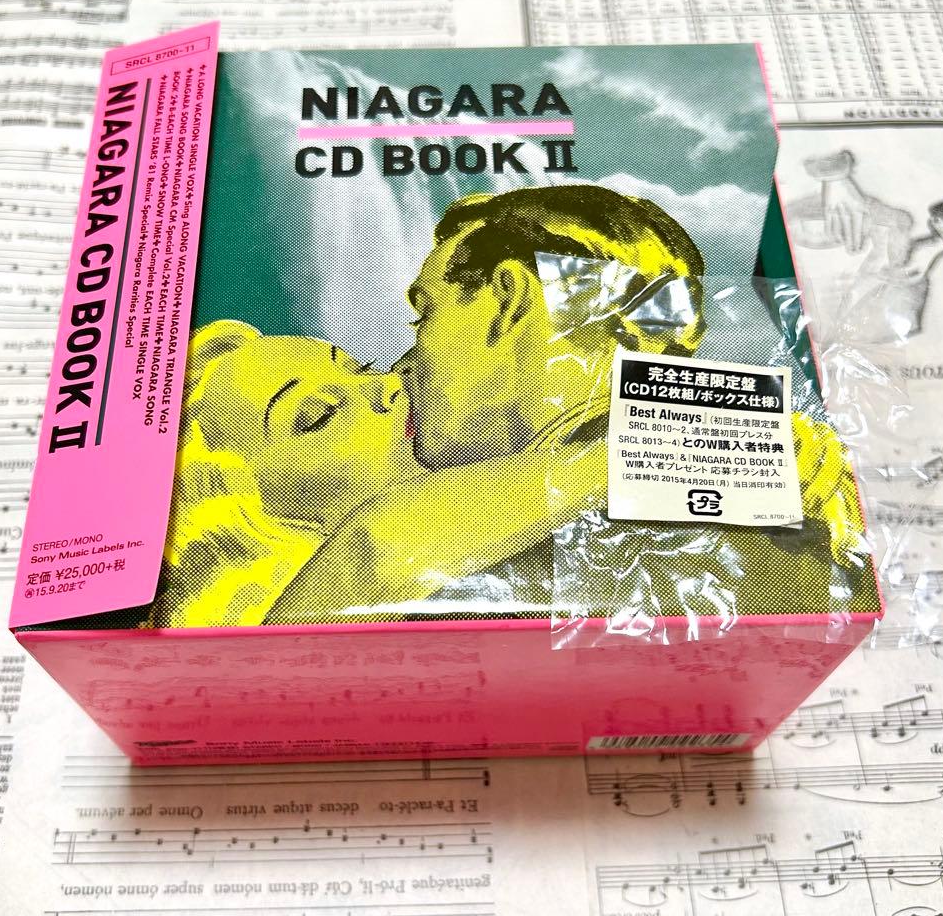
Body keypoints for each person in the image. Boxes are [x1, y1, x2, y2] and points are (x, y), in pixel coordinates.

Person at [267, 184, 879, 626]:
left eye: (425, 315)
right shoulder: (778, 468)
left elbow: (308, 625)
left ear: (506, 302)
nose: (403, 366)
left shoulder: (766, 493)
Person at [156, 319, 605, 626]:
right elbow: (379, 542)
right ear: (257, 520)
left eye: (359, 366)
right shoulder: (292, 627)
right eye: (318, 415)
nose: (384, 387)